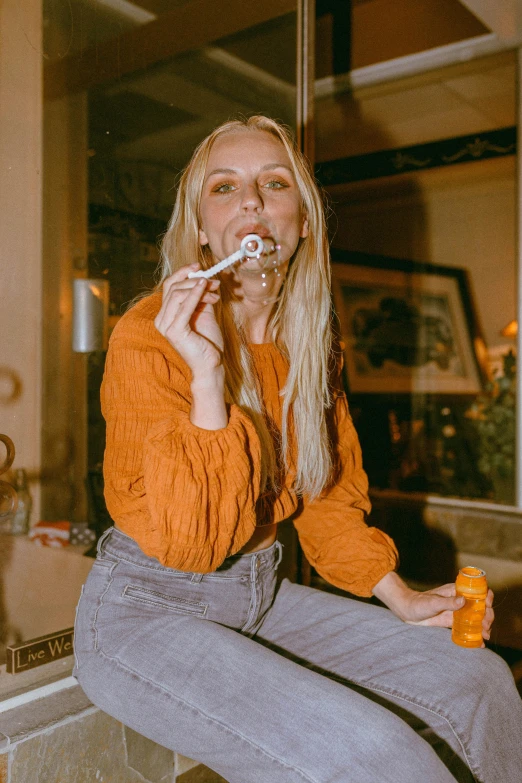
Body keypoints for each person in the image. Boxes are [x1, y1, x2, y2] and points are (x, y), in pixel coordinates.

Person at [73, 115, 522, 783]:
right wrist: (207, 376)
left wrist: (399, 594)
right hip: (147, 609)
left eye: (273, 183)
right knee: (380, 755)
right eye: (224, 187)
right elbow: (191, 545)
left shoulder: (309, 342)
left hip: (260, 596)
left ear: (303, 221)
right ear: (201, 229)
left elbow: (327, 493)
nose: (251, 199)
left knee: (481, 678)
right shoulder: (151, 337)